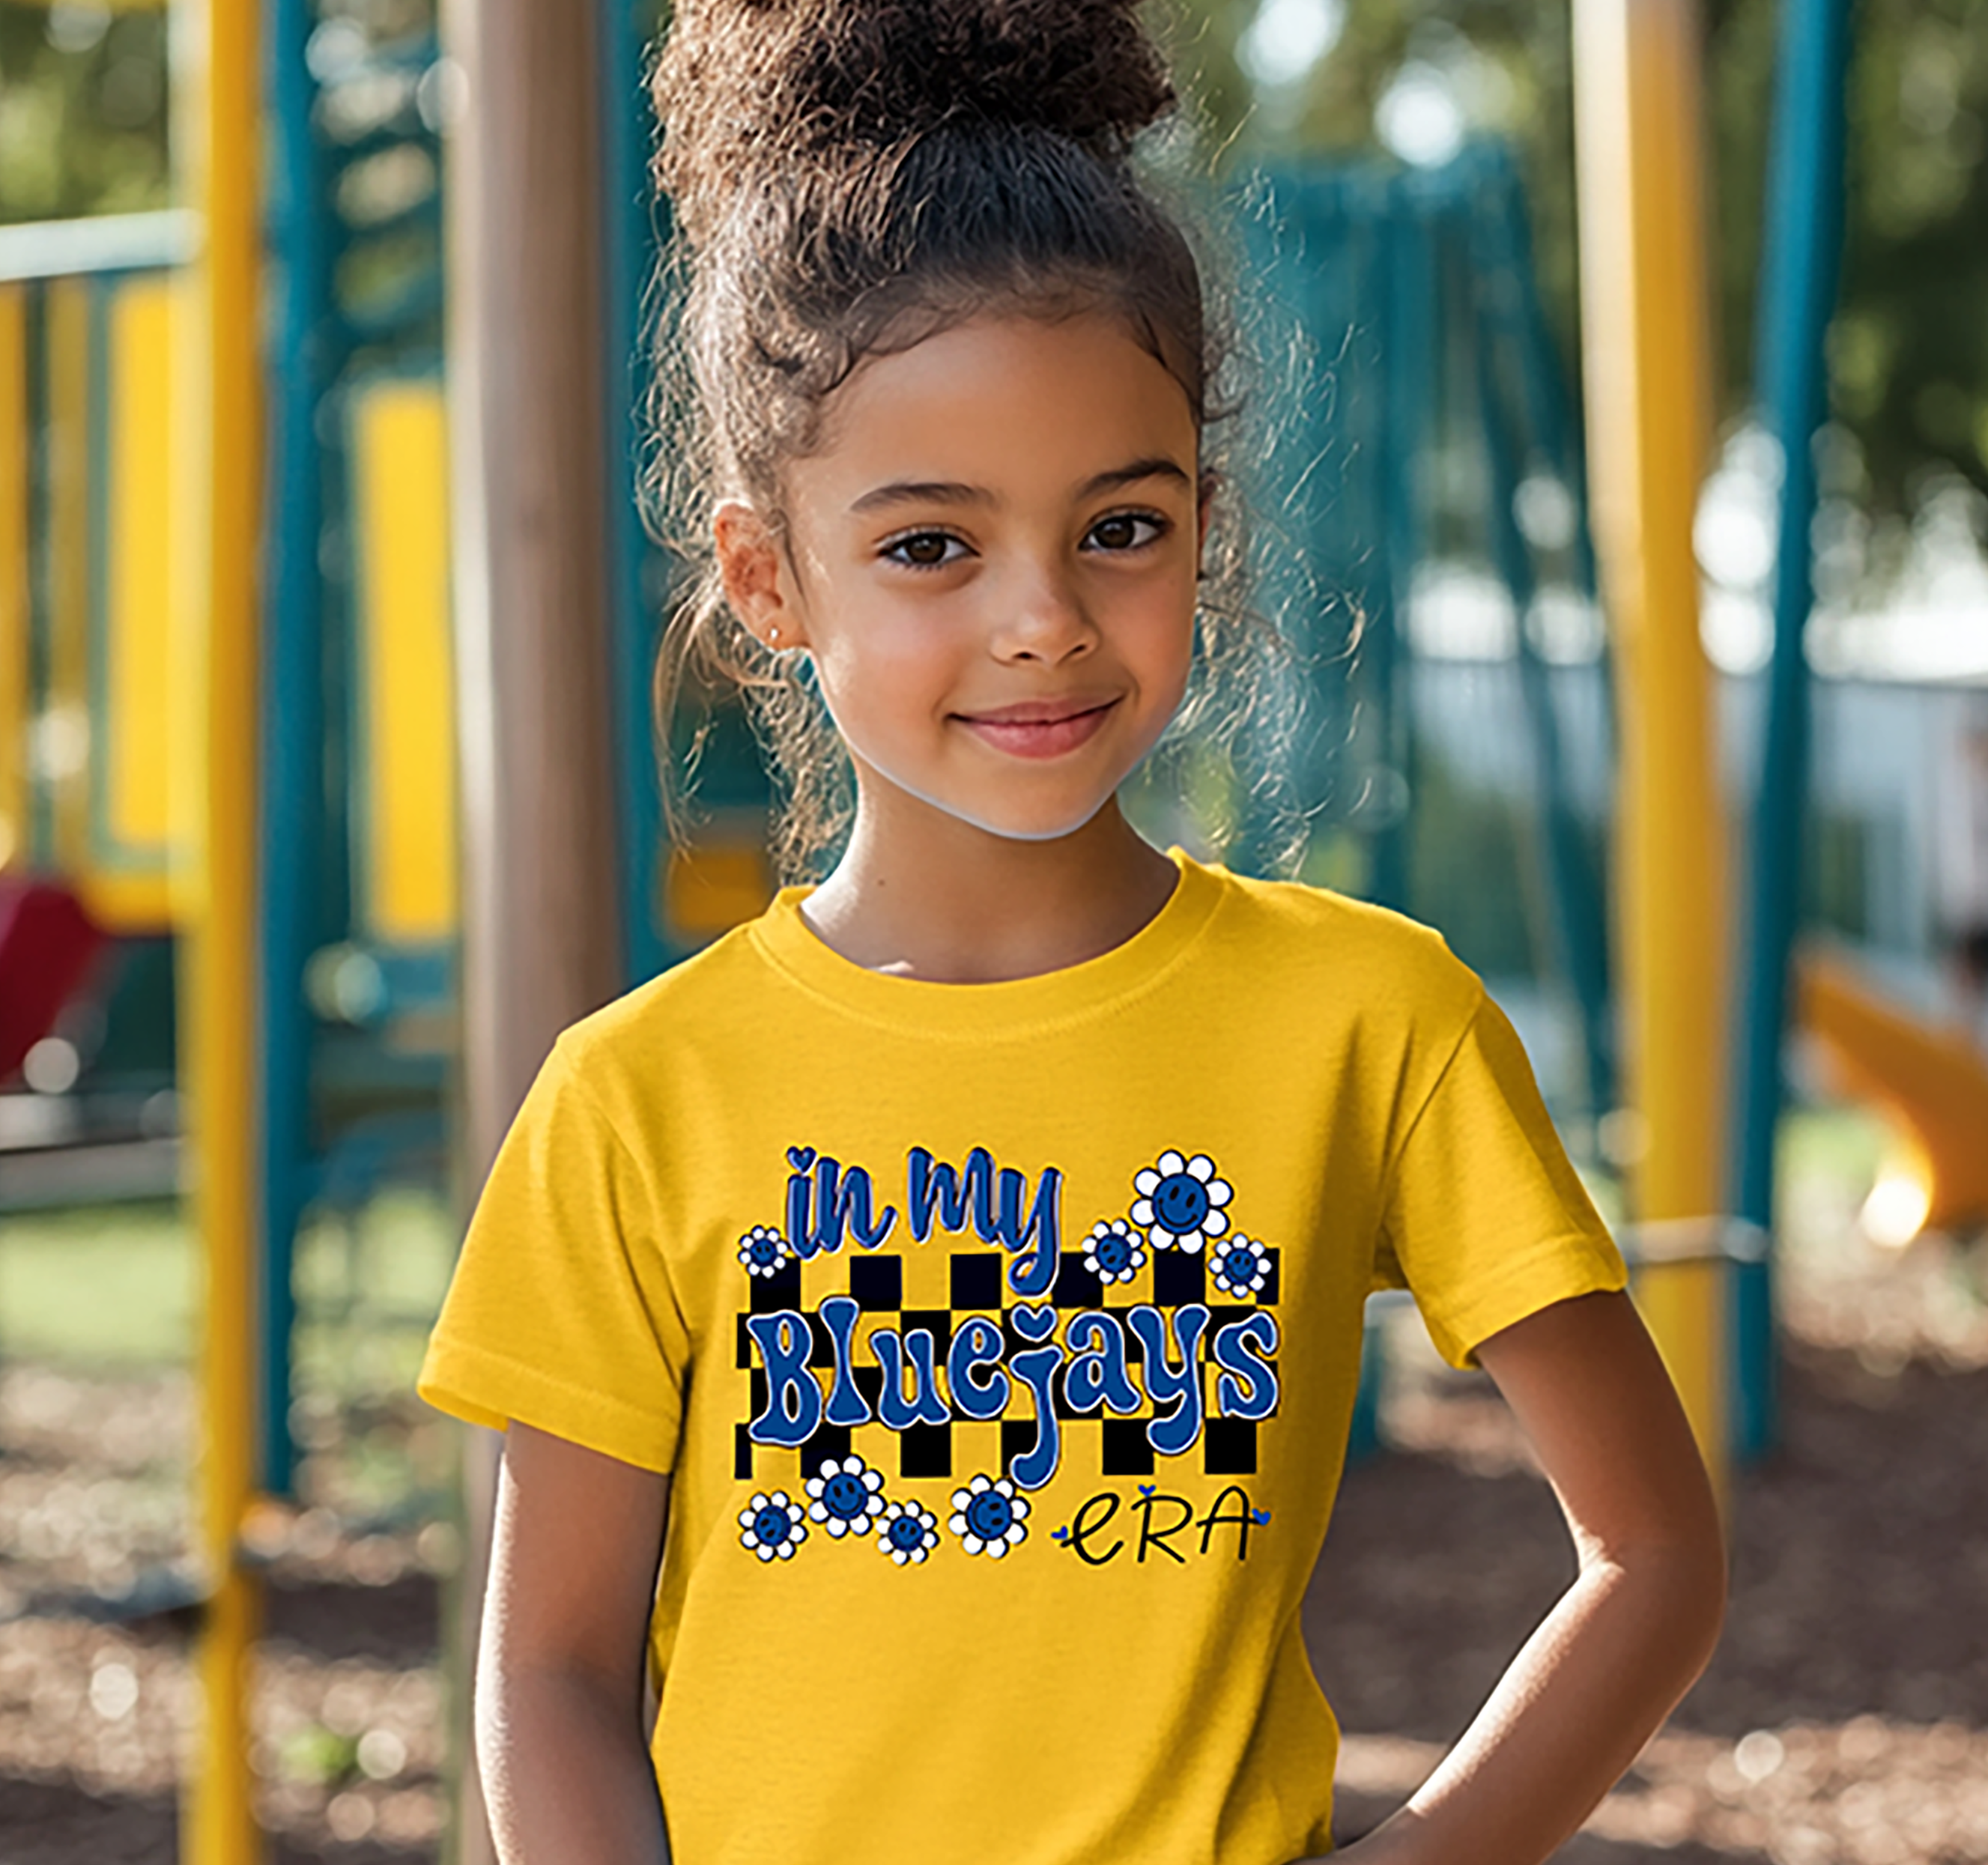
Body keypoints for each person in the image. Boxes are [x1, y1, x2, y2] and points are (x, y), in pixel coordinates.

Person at [416, 3, 1726, 1861]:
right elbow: (549, 1673)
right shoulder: (633, 1102)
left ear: (1203, 527)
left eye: (1117, 525)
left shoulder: (1373, 1020)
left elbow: (1654, 1553)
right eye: (933, 546)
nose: (1041, 618)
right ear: (768, 577)